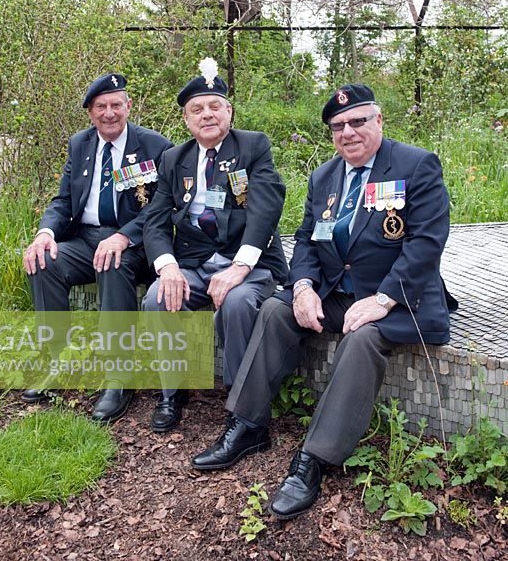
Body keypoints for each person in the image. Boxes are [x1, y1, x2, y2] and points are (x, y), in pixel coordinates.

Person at [192, 82, 458, 520]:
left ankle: (313, 460)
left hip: (400, 300)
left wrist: (385, 299)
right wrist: (302, 287)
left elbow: (427, 242)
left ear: (378, 120)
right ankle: (248, 425)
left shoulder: (416, 165)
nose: (348, 132)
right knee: (276, 309)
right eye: (338, 126)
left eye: (357, 121)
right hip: (337, 292)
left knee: (362, 338)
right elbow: (306, 241)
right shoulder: (324, 176)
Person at [142, 58, 288, 433]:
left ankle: (244, 409)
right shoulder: (174, 159)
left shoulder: (253, 146)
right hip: (193, 264)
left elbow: (265, 209)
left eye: (214, 106)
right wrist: (168, 267)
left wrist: (238, 269)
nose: (206, 115)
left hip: (248, 264)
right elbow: (155, 220)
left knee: (237, 303)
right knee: (158, 297)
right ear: (187, 121)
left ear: (229, 111)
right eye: (197, 109)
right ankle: (173, 393)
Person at [22, 72, 172, 421]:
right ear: (90, 111)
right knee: (42, 261)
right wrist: (45, 233)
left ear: (129, 107)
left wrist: (124, 236)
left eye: (116, 105)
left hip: (133, 241)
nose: (109, 113)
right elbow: (63, 201)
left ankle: (119, 377)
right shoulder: (81, 144)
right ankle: (58, 362)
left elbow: (161, 207)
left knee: (112, 261)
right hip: (85, 238)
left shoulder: (154, 146)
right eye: (101, 106)